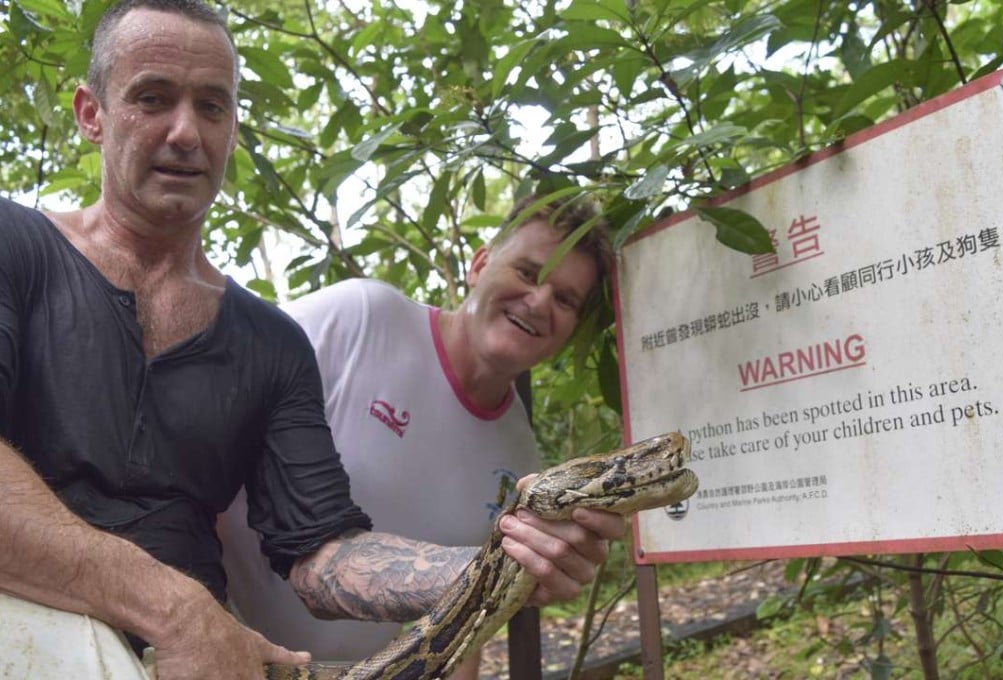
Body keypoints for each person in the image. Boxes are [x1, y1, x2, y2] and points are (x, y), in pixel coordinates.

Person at [0, 2, 623, 679]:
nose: (186, 132)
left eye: (212, 107)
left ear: (233, 128)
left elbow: (317, 553)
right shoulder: (16, 247)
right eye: (153, 99)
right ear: (91, 113)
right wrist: (178, 610)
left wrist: (505, 564)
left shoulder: (270, 343)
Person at [218, 194, 615, 677]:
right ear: (480, 264)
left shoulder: (521, 458)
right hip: (213, 651)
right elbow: (205, 430)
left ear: (572, 329)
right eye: (528, 273)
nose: (538, 302)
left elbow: (460, 623)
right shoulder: (362, 317)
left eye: (566, 298)